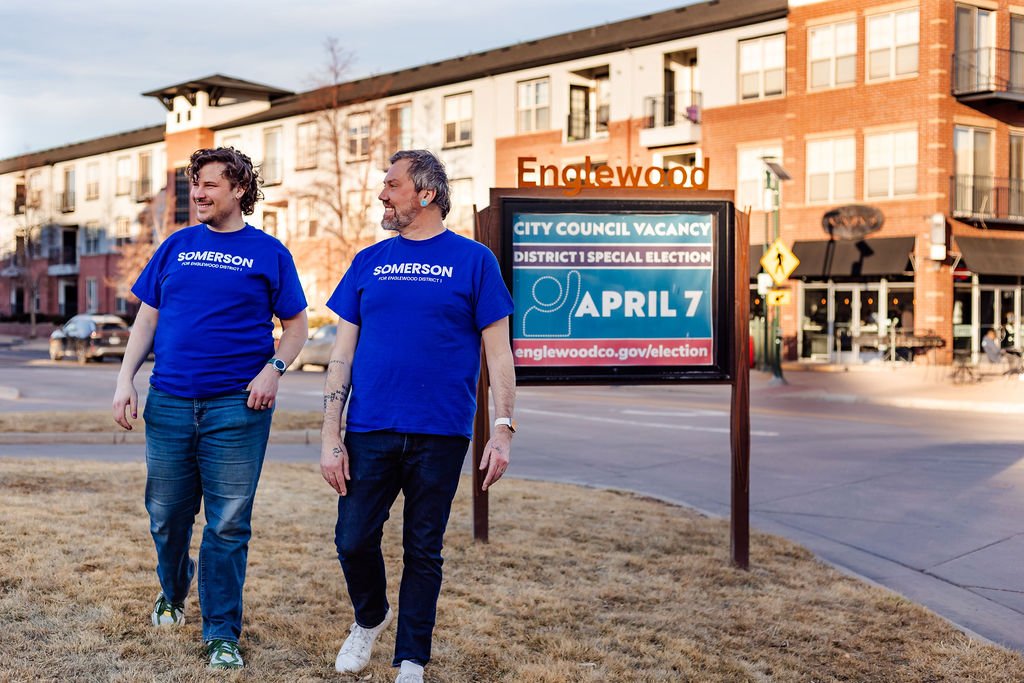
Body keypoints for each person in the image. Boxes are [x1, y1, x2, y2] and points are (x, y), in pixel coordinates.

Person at [320, 149, 515, 683]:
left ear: (425, 194)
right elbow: (341, 355)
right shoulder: (368, 261)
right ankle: (370, 617)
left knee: (423, 548)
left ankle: (411, 659)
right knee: (352, 539)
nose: (382, 194)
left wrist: (502, 429)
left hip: (441, 431)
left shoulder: (475, 261)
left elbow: (499, 354)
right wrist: (331, 434)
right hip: (369, 428)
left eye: (392, 185)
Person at [112, 147, 308, 670]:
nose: (198, 194)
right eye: (195, 184)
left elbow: (297, 328)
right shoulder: (176, 246)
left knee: (228, 525)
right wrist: (125, 379)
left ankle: (222, 632)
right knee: (166, 517)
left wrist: (274, 369)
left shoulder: (269, 253)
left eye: (210, 185)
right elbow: (147, 319)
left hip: (237, 409)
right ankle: (173, 590)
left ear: (239, 189)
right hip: (170, 403)